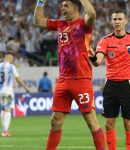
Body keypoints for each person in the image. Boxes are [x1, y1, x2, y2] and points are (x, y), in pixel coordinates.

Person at [34, 0, 105, 150]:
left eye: (66, 5)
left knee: (91, 121)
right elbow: (38, 21)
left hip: (81, 79)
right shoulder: (60, 24)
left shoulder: (83, 25)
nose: (62, 8)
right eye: (62, 5)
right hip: (63, 80)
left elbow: (91, 13)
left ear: (75, 8)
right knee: (55, 121)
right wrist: (40, 2)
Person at [89, 10, 130, 150]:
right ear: (111, 21)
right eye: (114, 19)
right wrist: (92, 55)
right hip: (110, 84)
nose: (117, 21)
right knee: (109, 123)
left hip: (127, 84)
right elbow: (97, 62)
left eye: (120, 19)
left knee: (128, 123)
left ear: (125, 21)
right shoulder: (105, 41)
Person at [0, 49, 30, 137]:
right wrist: (26, 87)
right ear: (10, 57)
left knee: (3, 109)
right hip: (8, 91)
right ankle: (5, 131)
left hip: (0, 92)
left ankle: (4, 129)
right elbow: (17, 78)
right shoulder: (11, 67)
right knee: (8, 110)